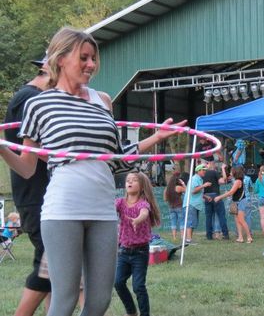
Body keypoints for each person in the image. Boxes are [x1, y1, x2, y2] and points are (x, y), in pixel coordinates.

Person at [0, 27, 185, 316]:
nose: (91, 65)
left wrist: (155, 138)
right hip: (62, 210)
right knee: (65, 300)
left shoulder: (103, 101)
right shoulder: (39, 103)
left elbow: (117, 160)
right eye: (83, 58)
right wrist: (1, 147)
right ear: (61, 59)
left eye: (93, 58)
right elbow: (26, 168)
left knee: (99, 302)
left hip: (102, 210)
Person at [3, 57, 52, 316]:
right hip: (36, 195)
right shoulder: (29, 99)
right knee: (51, 261)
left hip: (45, 194)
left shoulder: (33, 97)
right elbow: (36, 149)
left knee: (54, 270)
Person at [114, 172, 161, 316]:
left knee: (138, 286)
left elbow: (144, 213)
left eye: (134, 180)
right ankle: (131, 311)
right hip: (123, 251)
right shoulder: (120, 202)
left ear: (142, 186)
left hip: (140, 252)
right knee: (118, 283)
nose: (130, 182)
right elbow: (108, 208)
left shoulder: (143, 203)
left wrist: (137, 220)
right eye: (128, 180)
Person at [215, 166, 253, 243]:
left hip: (241, 202)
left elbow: (231, 192)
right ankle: (240, 237)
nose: (230, 173)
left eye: (232, 171)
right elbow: (234, 192)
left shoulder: (238, 181)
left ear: (236, 172)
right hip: (236, 202)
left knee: (241, 220)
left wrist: (220, 197)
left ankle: (249, 237)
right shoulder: (237, 180)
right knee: (237, 221)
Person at [183, 164, 212, 244]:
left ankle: (189, 239)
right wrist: (204, 185)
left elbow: (197, 191)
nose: (204, 172)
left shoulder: (199, 179)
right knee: (190, 222)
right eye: (203, 170)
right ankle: (188, 240)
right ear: (198, 171)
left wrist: (206, 197)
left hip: (195, 204)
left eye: (205, 170)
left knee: (193, 222)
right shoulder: (195, 179)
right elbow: (193, 191)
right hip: (191, 204)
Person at [202, 161, 230, 240]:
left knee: (208, 217)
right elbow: (223, 181)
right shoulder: (214, 172)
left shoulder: (203, 174)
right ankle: (225, 234)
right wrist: (223, 169)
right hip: (215, 196)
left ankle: (209, 236)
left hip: (206, 196)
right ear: (212, 165)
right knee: (221, 215)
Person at [163, 172, 185, 241]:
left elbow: (165, 199)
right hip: (179, 206)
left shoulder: (167, 189)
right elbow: (187, 191)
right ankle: (182, 237)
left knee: (173, 222)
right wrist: (183, 184)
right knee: (182, 222)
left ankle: (174, 237)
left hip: (171, 207)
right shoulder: (178, 187)